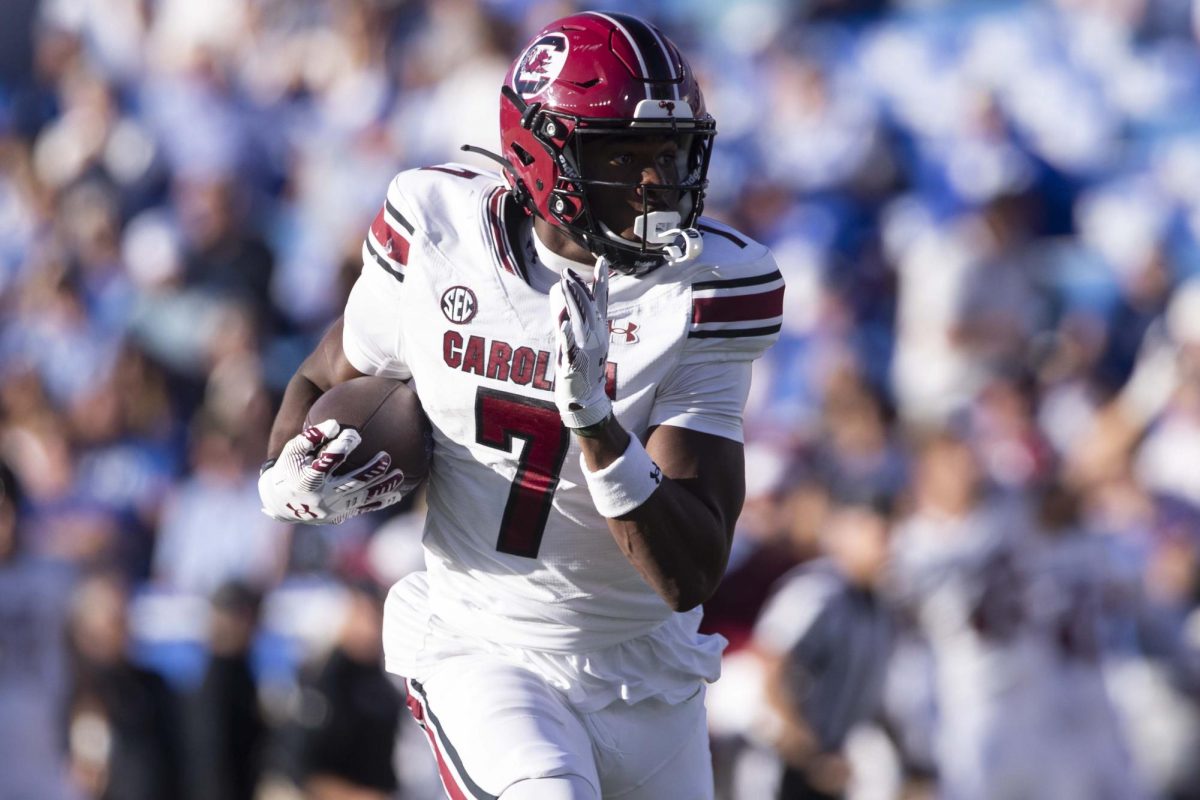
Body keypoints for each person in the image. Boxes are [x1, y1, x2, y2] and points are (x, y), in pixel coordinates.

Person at [257, 10, 783, 799]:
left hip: (645, 668)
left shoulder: (705, 290)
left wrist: (598, 427)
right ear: (543, 153)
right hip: (486, 641)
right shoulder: (436, 235)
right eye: (627, 153)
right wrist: (283, 472)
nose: (657, 180)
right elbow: (324, 374)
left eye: (670, 150)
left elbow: (690, 571)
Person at [753, 496, 896, 800]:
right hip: (782, 759)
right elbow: (768, 666)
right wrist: (807, 752)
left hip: (832, 761)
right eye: (878, 537)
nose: (887, 550)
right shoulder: (817, 591)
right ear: (847, 534)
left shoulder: (877, 603)